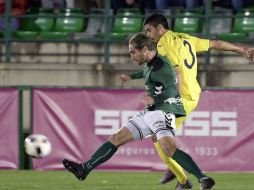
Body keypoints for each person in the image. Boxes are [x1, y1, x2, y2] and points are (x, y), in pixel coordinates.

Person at [62, 32, 214, 190]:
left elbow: (173, 91)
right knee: (116, 137)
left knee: (169, 149)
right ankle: (84, 169)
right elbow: (146, 73)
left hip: (163, 112)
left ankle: (202, 178)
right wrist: (132, 76)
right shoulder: (152, 63)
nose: (131, 56)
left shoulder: (162, 65)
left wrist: (156, 99)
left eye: (133, 52)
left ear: (145, 50)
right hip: (149, 112)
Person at [121, 13, 254, 189]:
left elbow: (177, 72)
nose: (147, 34)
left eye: (149, 30)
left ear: (160, 28)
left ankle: (181, 177)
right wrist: (242, 50)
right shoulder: (186, 38)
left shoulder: (162, 45)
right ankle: (175, 167)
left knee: (158, 138)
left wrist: (174, 97)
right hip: (194, 95)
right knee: (160, 137)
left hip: (181, 97)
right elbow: (215, 44)